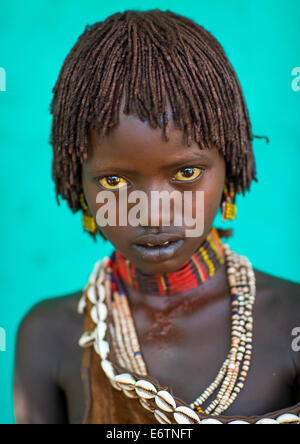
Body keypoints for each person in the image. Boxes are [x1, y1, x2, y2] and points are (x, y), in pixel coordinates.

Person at [13, 9, 300, 424]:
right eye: (114, 180)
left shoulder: (292, 319)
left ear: (231, 170)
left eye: (186, 173)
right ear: (78, 187)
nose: (152, 211)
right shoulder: (49, 336)